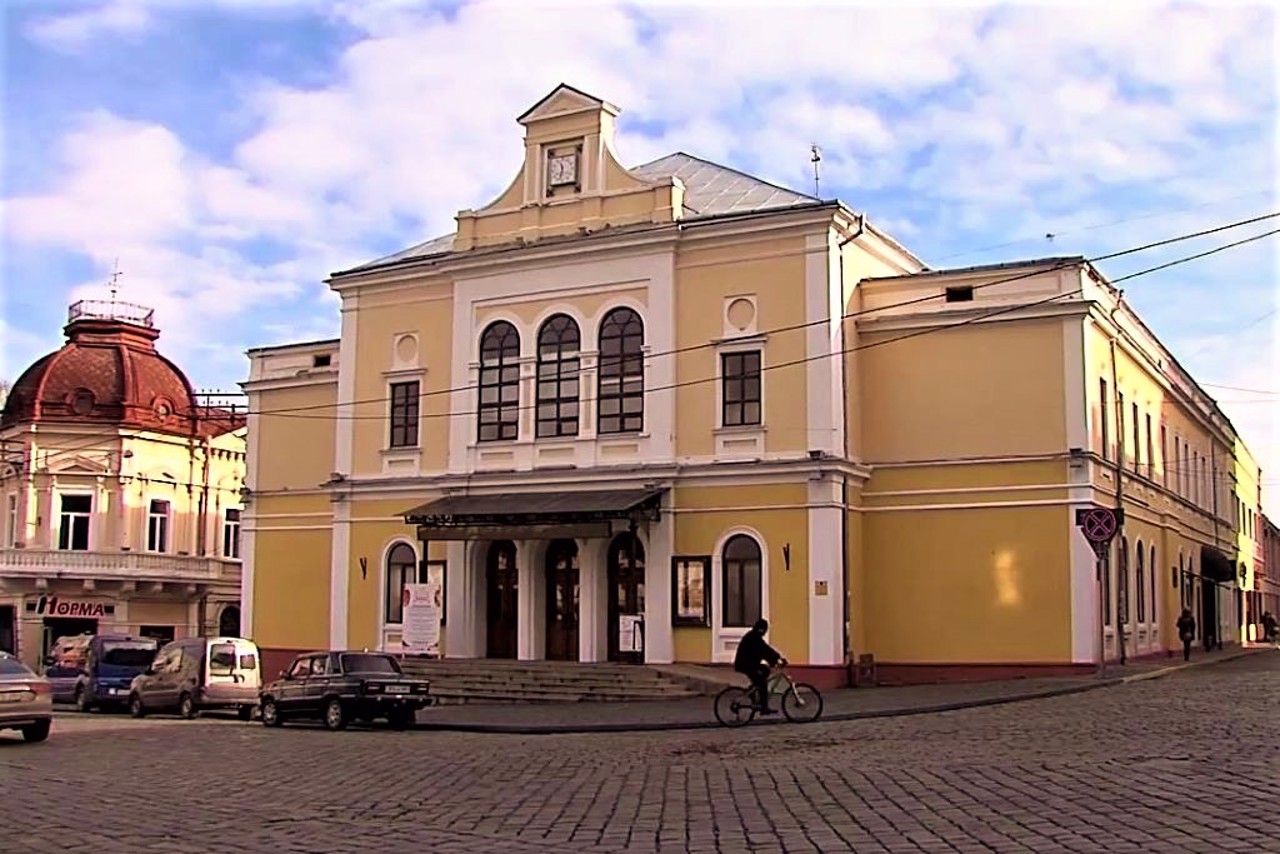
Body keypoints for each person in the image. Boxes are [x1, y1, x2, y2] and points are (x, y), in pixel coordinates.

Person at [734, 619, 784, 714]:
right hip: (745, 665)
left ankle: (753, 690)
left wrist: (777, 658)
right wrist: (776, 659)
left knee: (765, 670)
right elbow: (764, 650)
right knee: (762, 683)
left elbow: (765, 650)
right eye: (764, 630)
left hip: (749, 663)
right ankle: (763, 707)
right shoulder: (754, 638)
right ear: (761, 629)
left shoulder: (754, 636)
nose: (765, 632)